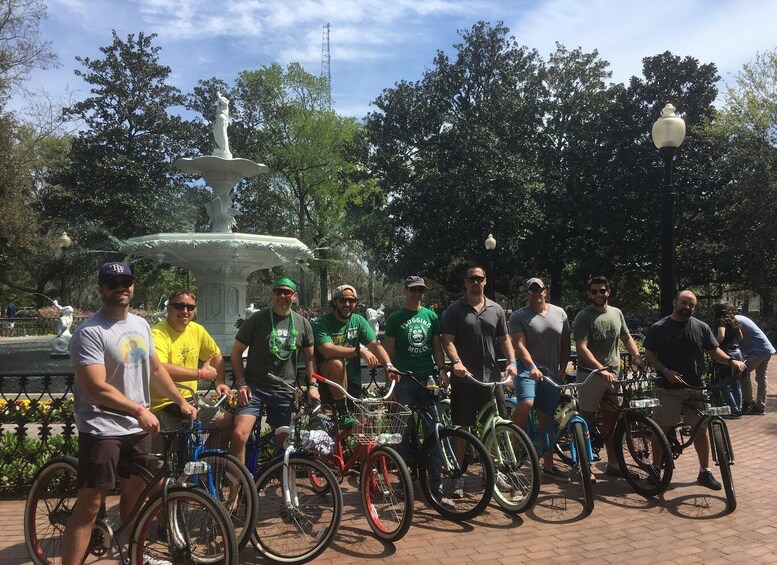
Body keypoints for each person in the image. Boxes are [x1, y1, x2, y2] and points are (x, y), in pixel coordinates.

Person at [62, 262, 195, 565]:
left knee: (135, 493)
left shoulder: (140, 325)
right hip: (101, 427)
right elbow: (96, 388)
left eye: (126, 282)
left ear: (133, 287)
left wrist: (181, 401)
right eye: (113, 283)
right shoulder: (89, 332)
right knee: (91, 504)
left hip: (136, 427)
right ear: (101, 289)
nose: (121, 287)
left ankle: (137, 555)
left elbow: (156, 370)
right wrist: (137, 409)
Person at [643, 290, 746, 490]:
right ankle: (656, 468)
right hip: (668, 388)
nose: (687, 307)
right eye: (684, 303)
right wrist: (665, 371)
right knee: (661, 428)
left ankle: (704, 472)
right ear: (675, 302)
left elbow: (714, 352)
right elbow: (649, 353)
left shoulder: (701, 327)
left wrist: (732, 361)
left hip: (696, 386)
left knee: (701, 430)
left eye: (691, 305)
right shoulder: (659, 328)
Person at [441, 265, 518, 496]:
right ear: (465, 282)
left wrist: (512, 362)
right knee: (463, 429)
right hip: (465, 379)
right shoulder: (455, 310)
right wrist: (456, 362)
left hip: (492, 379)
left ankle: (493, 474)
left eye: (480, 278)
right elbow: (447, 340)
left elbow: (504, 339)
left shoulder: (496, 309)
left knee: (496, 427)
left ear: (485, 282)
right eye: (471, 279)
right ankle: (457, 477)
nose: (476, 282)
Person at [230, 278, 318, 465]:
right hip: (254, 389)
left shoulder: (303, 324)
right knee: (239, 435)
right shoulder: (257, 319)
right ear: (272, 294)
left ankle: (282, 484)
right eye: (278, 292)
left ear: (294, 296)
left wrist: (313, 386)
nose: (282, 296)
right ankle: (235, 490)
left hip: (284, 391)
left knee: (283, 445)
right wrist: (241, 382)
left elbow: (310, 359)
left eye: (287, 292)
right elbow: (236, 352)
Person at [572, 275, 643, 480]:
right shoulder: (583, 317)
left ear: (608, 292)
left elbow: (626, 338)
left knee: (611, 421)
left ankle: (613, 464)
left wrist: (637, 356)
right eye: (594, 291)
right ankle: (585, 465)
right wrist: (600, 368)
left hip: (615, 375)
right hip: (591, 375)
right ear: (589, 294)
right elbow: (581, 348)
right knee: (586, 420)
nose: (598, 294)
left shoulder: (616, 313)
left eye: (602, 290)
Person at [150, 289, 232, 447]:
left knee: (225, 421)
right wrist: (200, 373)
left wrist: (220, 382)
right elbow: (160, 369)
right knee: (159, 463)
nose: (185, 311)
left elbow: (215, 354)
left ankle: (207, 466)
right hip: (163, 404)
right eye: (179, 306)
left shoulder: (196, 330)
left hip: (191, 400)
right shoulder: (157, 334)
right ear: (168, 308)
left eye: (190, 307)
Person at [509, 277, 571, 482]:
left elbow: (565, 342)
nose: (536, 293)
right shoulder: (518, 316)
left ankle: (549, 466)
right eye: (532, 290)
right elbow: (519, 345)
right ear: (526, 294)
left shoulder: (560, 313)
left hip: (551, 373)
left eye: (540, 289)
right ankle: (510, 451)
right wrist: (532, 367)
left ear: (546, 291)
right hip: (527, 370)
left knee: (546, 419)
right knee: (526, 403)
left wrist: (562, 369)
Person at [383, 276, 447, 471]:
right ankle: (404, 479)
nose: (417, 294)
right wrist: (389, 385)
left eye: (420, 290)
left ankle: (435, 483)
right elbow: (388, 353)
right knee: (401, 431)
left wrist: (442, 369)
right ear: (405, 291)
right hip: (403, 381)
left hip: (426, 379)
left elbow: (437, 347)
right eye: (413, 289)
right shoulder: (395, 318)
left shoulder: (431, 316)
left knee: (433, 430)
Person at [312, 284, 394, 424]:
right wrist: (359, 350)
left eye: (351, 300)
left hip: (351, 383)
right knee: (337, 362)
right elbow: (327, 350)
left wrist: (388, 365)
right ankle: (342, 412)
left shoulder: (358, 321)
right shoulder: (321, 323)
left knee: (363, 426)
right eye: (343, 300)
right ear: (335, 301)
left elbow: (374, 345)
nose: (347, 304)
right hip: (327, 383)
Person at [737, 313, 775, 415]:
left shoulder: (735, 320)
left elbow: (739, 337)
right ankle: (760, 406)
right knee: (761, 377)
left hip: (759, 351)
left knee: (743, 372)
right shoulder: (741, 318)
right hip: (766, 349)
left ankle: (748, 401)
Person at [710, 303, 744, 418]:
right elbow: (741, 337)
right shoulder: (733, 321)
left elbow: (721, 335)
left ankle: (733, 409)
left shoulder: (720, 321)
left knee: (723, 383)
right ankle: (738, 410)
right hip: (737, 352)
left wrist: (713, 346)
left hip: (726, 353)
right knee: (736, 383)